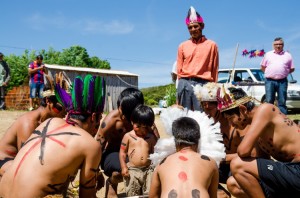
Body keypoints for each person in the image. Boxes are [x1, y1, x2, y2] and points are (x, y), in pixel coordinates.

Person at [0, 74, 106, 197]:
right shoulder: (91, 145)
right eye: (99, 121)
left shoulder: (48, 122)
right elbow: (87, 196)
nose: (97, 129)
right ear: (94, 117)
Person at [217, 87, 300, 198]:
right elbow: (261, 158)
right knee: (234, 184)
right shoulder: (255, 125)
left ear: (242, 109)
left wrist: (219, 157)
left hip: (297, 170)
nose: (231, 124)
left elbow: (243, 151)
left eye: (230, 118)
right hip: (290, 171)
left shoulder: (265, 109)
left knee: (237, 165)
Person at [194, 83, 269, 198]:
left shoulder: (238, 121)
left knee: (233, 180)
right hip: (228, 166)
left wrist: (220, 157)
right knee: (199, 169)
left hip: (247, 168)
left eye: (209, 105)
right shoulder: (210, 123)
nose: (206, 108)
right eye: (203, 104)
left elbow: (255, 155)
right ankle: (221, 194)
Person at [96, 87, 159, 197]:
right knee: (128, 170)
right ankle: (112, 182)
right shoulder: (112, 120)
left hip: (135, 154)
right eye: (120, 107)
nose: (120, 112)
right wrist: (95, 171)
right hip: (113, 154)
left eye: (123, 110)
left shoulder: (144, 120)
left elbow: (158, 143)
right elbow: (98, 144)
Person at [0, 89, 66, 180]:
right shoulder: (29, 123)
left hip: (18, 162)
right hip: (5, 162)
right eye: (61, 107)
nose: (65, 111)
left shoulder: (49, 122)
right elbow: (25, 159)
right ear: (48, 102)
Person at [149, 116, 219, 198]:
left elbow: (153, 196)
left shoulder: (161, 164)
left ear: (175, 142)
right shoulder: (211, 163)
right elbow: (213, 196)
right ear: (198, 140)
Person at [176, 6, 219, 111]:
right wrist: (179, 88)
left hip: (203, 85)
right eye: (190, 28)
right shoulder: (182, 46)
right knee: (184, 115)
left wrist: (213, 90)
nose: (193, 30)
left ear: (202, 26)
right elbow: (179, 71)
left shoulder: (212, 45)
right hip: (185, 83)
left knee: (202, 116)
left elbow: (215, 70)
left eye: (195, 26)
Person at [119, 104, 157, 196]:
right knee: (133, 193)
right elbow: (122, 152)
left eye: (145, 127)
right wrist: (124, 167)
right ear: (132, 122)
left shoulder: (151, 137)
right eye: (138, 126)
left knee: (149, 193)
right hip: (132, 171)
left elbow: (155, 153)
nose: (141, 130)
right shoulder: (128, 136)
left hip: (148, 170)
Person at [261, 37, 295, 115]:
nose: (278, 46)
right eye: (276, 44)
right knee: (269, 101)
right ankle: (269, 119)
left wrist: (284, 72)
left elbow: (292, 69)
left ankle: (283, 121)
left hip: (282, 81)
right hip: (269, 81)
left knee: (282, 101)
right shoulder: (268, 54)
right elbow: (262, 67)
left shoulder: (288, 55)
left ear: (283, 45)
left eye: (280, 44)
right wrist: (270, 73)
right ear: (273, 45)